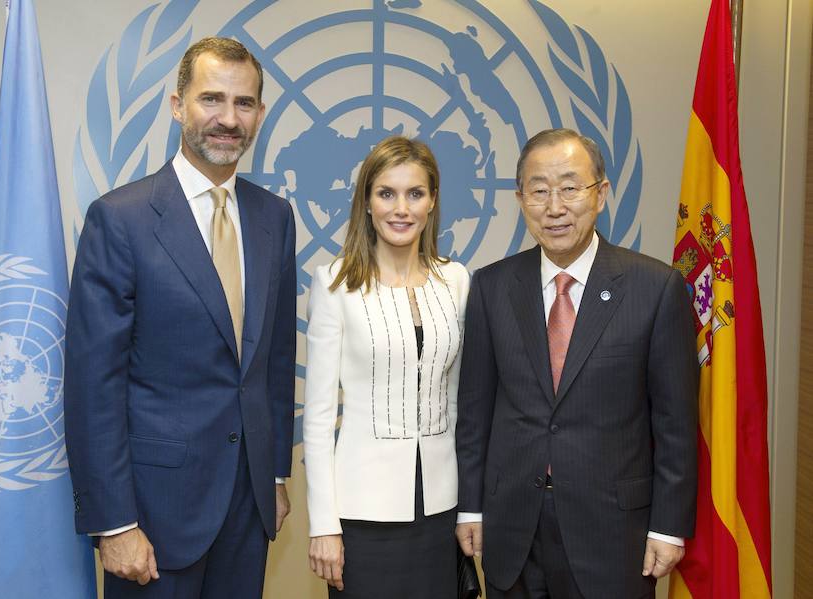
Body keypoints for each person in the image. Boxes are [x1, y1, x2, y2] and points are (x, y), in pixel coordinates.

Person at [64, 37, 296, 599]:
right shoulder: (120, 220)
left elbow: (274, 360)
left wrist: (274, 474)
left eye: (244, 103)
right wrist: (114, 523)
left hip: (248, 507)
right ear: (177, 105)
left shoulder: (275, 217)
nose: (228, 119)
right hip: (153, 515)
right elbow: (93, 387)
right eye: (211, 99)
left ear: (260, 114)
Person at [455, 128, 698, 599]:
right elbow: (475, 413)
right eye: (539, 191)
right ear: (521, 199)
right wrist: (471, 507)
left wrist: (669, 526)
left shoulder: (655, 289)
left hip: (613, 533)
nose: (555, 207)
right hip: (512, 529)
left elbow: (676, 425)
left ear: (600, 194)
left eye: (570, 188)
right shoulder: (491, 287)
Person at [304, 136, 470, 598]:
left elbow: (458, 403)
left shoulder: (456, 281)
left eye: (415, 193)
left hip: (441, 508)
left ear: (432, 201)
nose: (401, 209)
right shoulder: (334, 284)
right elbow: (318, 418)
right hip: (361, 513)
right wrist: (324, 525)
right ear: (367, 202)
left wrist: (470, 508)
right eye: (386, 193)